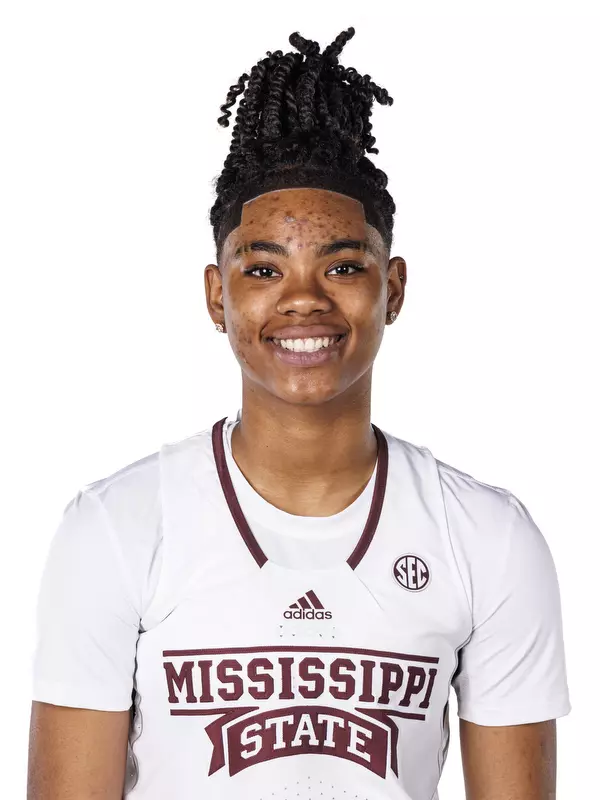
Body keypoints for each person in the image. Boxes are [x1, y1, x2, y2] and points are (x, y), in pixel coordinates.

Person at [27, 26, 571, 800]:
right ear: (218, 295)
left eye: (343, 265)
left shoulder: (488, 539)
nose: (304, 299)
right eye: (263, 270)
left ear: (394, 289)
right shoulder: (116, 528)